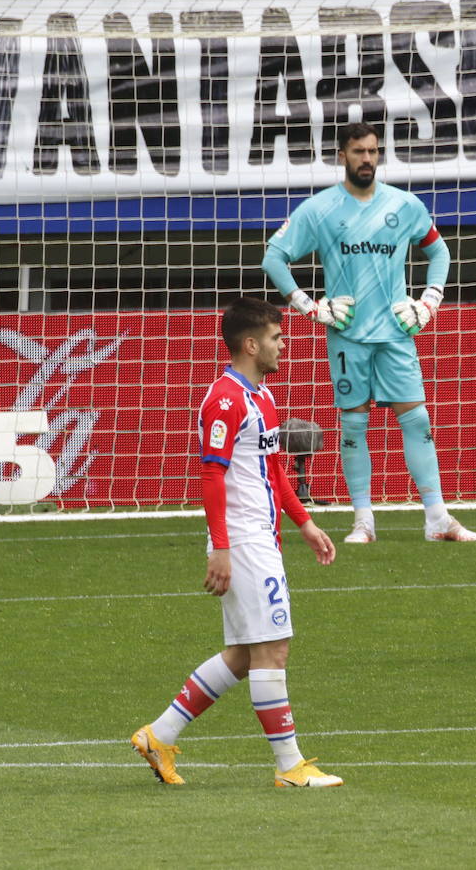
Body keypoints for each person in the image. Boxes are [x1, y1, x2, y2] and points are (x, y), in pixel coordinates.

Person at [131, 297, 343, 788]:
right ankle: (290, 767)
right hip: (244, 540)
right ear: (251, 344)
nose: (282, 345)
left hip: (261, 537)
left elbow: (272, 471)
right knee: (274, 649)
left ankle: (158, 736)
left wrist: (305, 524)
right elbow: (212, 477)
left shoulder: (262, 396)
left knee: (246, 655)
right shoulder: (224, 400)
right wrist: (220, 547)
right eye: (275, 338)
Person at [260, 121, 476, 545]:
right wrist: (309, 306)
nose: (367, 159)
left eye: (373, 151)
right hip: (347, 335)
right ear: (341, 156)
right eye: (359, 151)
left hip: (396, 334)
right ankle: (363, 521)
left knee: (417, 420)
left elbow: (439, 251)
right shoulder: (321, 209)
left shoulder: (404, 205)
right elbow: (273, 258)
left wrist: (429, 301)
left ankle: (437, 519)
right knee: (354, 425)